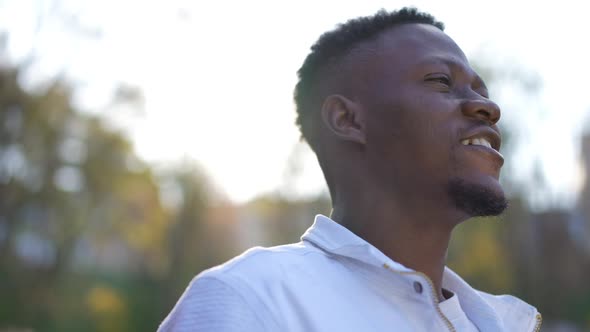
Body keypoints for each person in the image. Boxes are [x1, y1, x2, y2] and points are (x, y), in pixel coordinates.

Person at [158, 7, 541, 332]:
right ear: (348, 119)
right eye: (442, 81)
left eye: (482, 92)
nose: (487, 108)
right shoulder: (253, 300)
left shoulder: (503, 322)